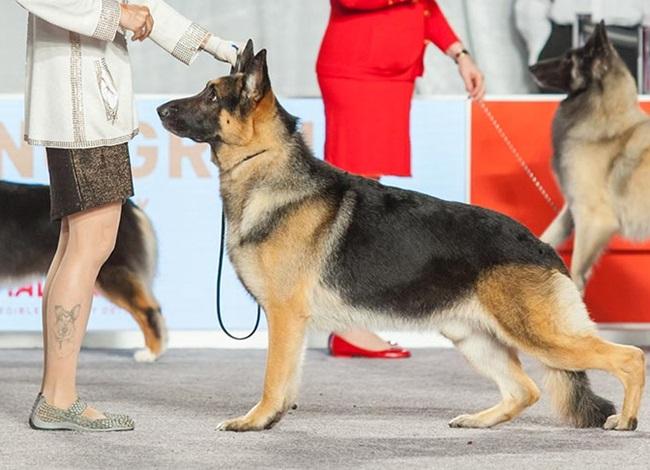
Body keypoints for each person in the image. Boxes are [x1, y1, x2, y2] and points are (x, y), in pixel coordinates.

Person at [16, 0, 238, 431]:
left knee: (79, 243)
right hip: (79, 103)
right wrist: (116, 15)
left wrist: (211, 44)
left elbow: (139, 4)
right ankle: (58, 399)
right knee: (88, 243)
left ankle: (56, 395)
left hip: (92, 101)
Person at [317, 0, 485, 358]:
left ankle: (351, 316)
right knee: (353, 200)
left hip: (393, 77)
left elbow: (427, 8)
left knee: (369, 199)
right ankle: (345, 322)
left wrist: (460, 55)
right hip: (356, 71)